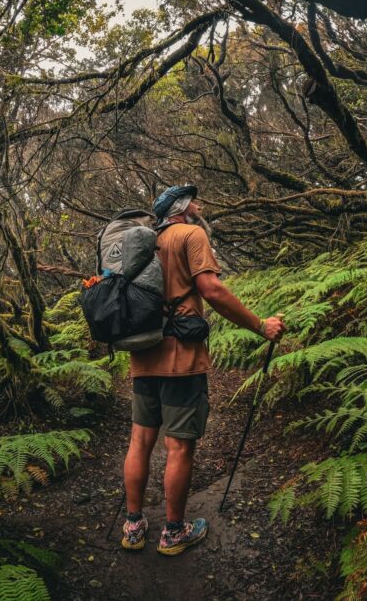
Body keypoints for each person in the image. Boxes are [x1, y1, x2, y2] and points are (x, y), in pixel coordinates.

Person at [120, 184, 286, 555]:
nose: (199, 205)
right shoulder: (191, 235)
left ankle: (133, 527)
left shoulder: (143, 244)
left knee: (140, 441)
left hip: (142, 356)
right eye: (194, 201)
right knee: (178, 446)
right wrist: (260, 325)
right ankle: (174, 532)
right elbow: (211, 289)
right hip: (180, 359)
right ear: (181, 208)